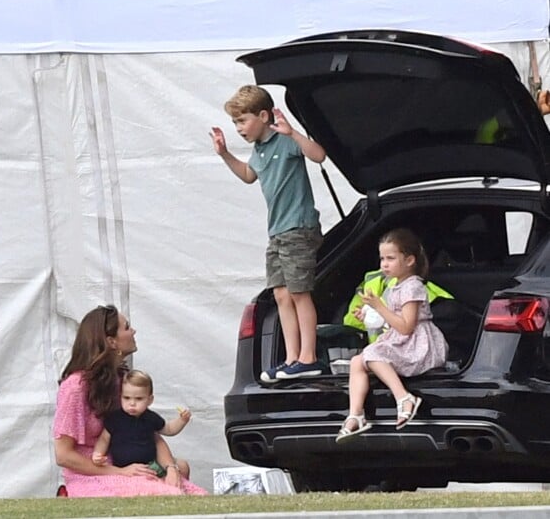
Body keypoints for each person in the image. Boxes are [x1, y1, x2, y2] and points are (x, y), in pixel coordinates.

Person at [210, 85, 326, 382]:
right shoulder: (259, 150)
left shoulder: (284, 141)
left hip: (298, 228)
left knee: (300, 293)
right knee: (281, 294)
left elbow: (318, 155)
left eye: (243, 120)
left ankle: (308, 357)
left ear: (263, 116)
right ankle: (291, 358)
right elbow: (249, 176)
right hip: (277, 232)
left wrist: (293, 133)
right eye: (235, 122)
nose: (239, 128)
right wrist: (224, 154)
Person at [53, 305, 208, 497]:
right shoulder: (75, 387)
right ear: (111, 342)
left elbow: (147, 432)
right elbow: (63, 455)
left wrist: (171, 468)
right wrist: (119, 472)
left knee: (196, 493)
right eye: (127, 327)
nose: (133, 331)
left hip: (129, 467)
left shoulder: (121, 382)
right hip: (92, 474)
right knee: (171, 496)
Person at [335, 229, 449, 443]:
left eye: (390, 258)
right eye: (382, 259)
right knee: (357, 362)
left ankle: (404, 398)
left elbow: (406, 326)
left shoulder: (413, 286)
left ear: (409, 260)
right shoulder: (396, 286)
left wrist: (379, 305)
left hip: (418, 345)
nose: (384, 264)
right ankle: (356, 414)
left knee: (372, 354)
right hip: (402, 340)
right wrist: (370, 313)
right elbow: (392, 320)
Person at [92, 369, 192, 479]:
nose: (132, 403)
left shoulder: (151, 418)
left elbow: (169, 429)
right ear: (120, 396)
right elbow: (104, 439)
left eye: (139, 399)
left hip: (150, 465)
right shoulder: (114, 418)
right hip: (123, 468)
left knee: (182, 466)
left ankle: (181, 491)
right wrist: (98, 454)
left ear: (150, 400)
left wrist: (182, 421)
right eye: (126, 398)